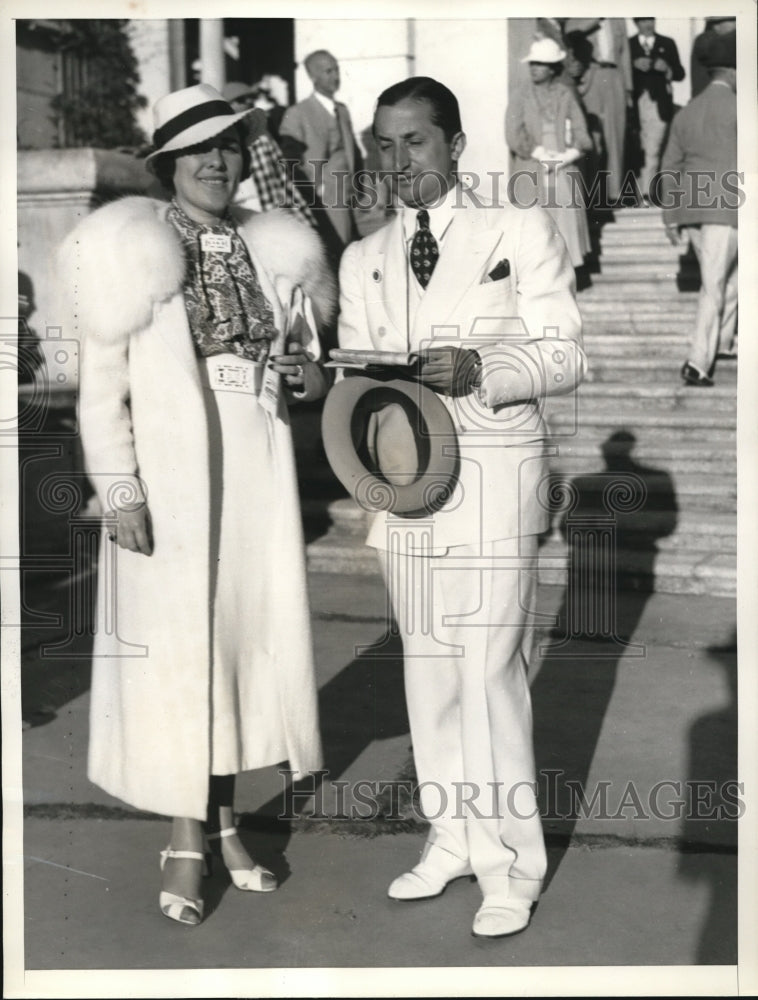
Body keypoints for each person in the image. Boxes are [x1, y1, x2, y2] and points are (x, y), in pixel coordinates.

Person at [58, 84, 335, 925]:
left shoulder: (272, 247)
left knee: (240, 643)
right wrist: (122, 489)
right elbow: (99, 392)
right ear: (169, 164)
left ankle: (221, 820)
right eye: (199, 150)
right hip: (173, 474)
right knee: (185, 649)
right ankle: (185, 835)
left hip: (255, 463)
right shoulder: (130, 249)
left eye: (230, 147)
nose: (217, 162)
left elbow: (310, 358)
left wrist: (311, 377)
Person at [337, 77, 586, 937]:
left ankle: (511, 866)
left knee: (488, 670)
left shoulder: (516, 227)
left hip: (492, 473)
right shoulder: (361, 255)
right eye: (384, 144)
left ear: (454, 144)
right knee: (429, 668)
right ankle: (451, 836)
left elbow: (565, 356)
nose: (400, 161)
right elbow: (363, 379)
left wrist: (489, 371)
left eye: (416, 141)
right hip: (404, 482)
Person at [660, 32, 738, 386]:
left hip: (692, 211)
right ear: (734, 73)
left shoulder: (687, 112)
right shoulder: (741, 109)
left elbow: (669, 166)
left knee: (732, 279)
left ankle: (722, 341)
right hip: (726, 210)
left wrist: (670, 215)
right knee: (714, 285)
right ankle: (697, 361)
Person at [506, 36, 593, 269]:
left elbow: (582, 134)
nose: (534, 68)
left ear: (553, 68)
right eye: (532, 63)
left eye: (541, 64)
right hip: (531, 168)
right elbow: (513, 133)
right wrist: (539, 153)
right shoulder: (520, 95)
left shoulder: (565, 94)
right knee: (533, 227)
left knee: (563, 223)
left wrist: (565, 157)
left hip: (562, 170)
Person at [279, 50, 362, 252]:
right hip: (324, 197)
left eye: (337, 70)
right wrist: (316, 190)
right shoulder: (297, 113)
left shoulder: (342, 110)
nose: (335, 76)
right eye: (328, 71)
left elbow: (353, 152)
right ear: (313, 77)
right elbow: (289, 160)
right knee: (336, 250)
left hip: (350, 194)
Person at [222, 81, 318, 230]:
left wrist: (302, 219)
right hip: (239, 214)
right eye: (240, 101)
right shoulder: (222, 143)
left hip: (270, 211)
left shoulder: (263, 138)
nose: (247, 104)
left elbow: (283, 180)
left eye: (250, 99)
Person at [563, 17, 632, 204]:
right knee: (592, 137)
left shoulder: (618, 19)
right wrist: (595, 18)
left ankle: (613, 193)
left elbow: (624, 52)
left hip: (614, 75)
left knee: (615, 137)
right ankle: (591, 193)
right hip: (589, 76)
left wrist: (628, 88)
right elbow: (570, 34)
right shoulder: (580, 12)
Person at [629, 18, 685, 199]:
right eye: (643, 20)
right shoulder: (628, 44)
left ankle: (647, 193)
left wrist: (667, 69)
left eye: (650, 19)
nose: (648, 24)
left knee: (653, 147)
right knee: (638, 148)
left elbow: (680, 73)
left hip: (658, 103)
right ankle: (640, 192)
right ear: (636, 23)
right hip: (634, 105)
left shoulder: (666, 43)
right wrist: (633, 64)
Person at [691, 17, 736, 100]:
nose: (736, 24)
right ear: (716, 26)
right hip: (709, 100)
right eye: (731, 21)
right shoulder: (705, 39)